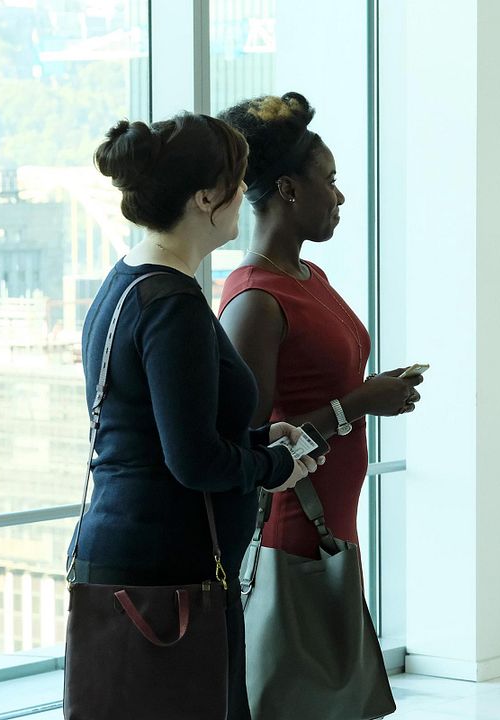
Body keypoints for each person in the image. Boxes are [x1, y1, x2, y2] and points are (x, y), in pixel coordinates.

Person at [72, 113, 319, 720]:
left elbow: (162, 431)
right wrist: (272, 464)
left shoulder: (127, 283)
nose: (243, 199)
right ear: (207, 197)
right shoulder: (173, 306)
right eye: (238, 183)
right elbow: (193, 461)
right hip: (170, 571)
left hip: (135, 556)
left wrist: (258, 435)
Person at [217, 92, 423, 560]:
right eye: (330, 180)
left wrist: (367, 393)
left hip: (331, 524)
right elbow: (246, 447)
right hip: (293, 526)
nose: (341, 195)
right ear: (289, 189)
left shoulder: (309, 277)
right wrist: (359, 403)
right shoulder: (256, 299)